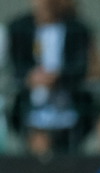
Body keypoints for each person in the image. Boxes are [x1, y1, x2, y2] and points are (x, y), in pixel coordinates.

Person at [8, 0, 93, 156]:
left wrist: (58, 78)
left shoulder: (77, 29)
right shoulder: (19, 28)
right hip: (31, 112)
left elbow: (82, 68)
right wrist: (30, 77)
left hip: (68, 111)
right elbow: (14, 67)